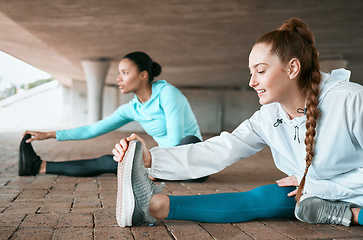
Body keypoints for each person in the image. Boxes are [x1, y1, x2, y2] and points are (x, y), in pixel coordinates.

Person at [112, 18, 363, 227]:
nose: (252, 82)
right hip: (313, 193)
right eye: (250, 72)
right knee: (263, 196)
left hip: (349, 192)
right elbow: (221, 149)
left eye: (261, 71)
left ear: (293, 68)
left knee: (293, 196)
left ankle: (349, 214)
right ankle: (152, 206)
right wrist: (151, 159)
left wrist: (319, 186)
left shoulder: (350, 100)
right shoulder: (269, 116)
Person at [19, 51, 206, 181]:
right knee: (109, 160)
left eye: (125, 73)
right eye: (119, 73)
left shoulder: (167, 93)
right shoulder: (132, 109)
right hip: (164, 163)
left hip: (192, 160)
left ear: (143, 75)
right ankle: (39, 166)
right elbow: (92, 129)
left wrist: (156, 167)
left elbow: (175, 139)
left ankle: (158, 168)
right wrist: (49, 134)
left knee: (189, 139)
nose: (119, 78)